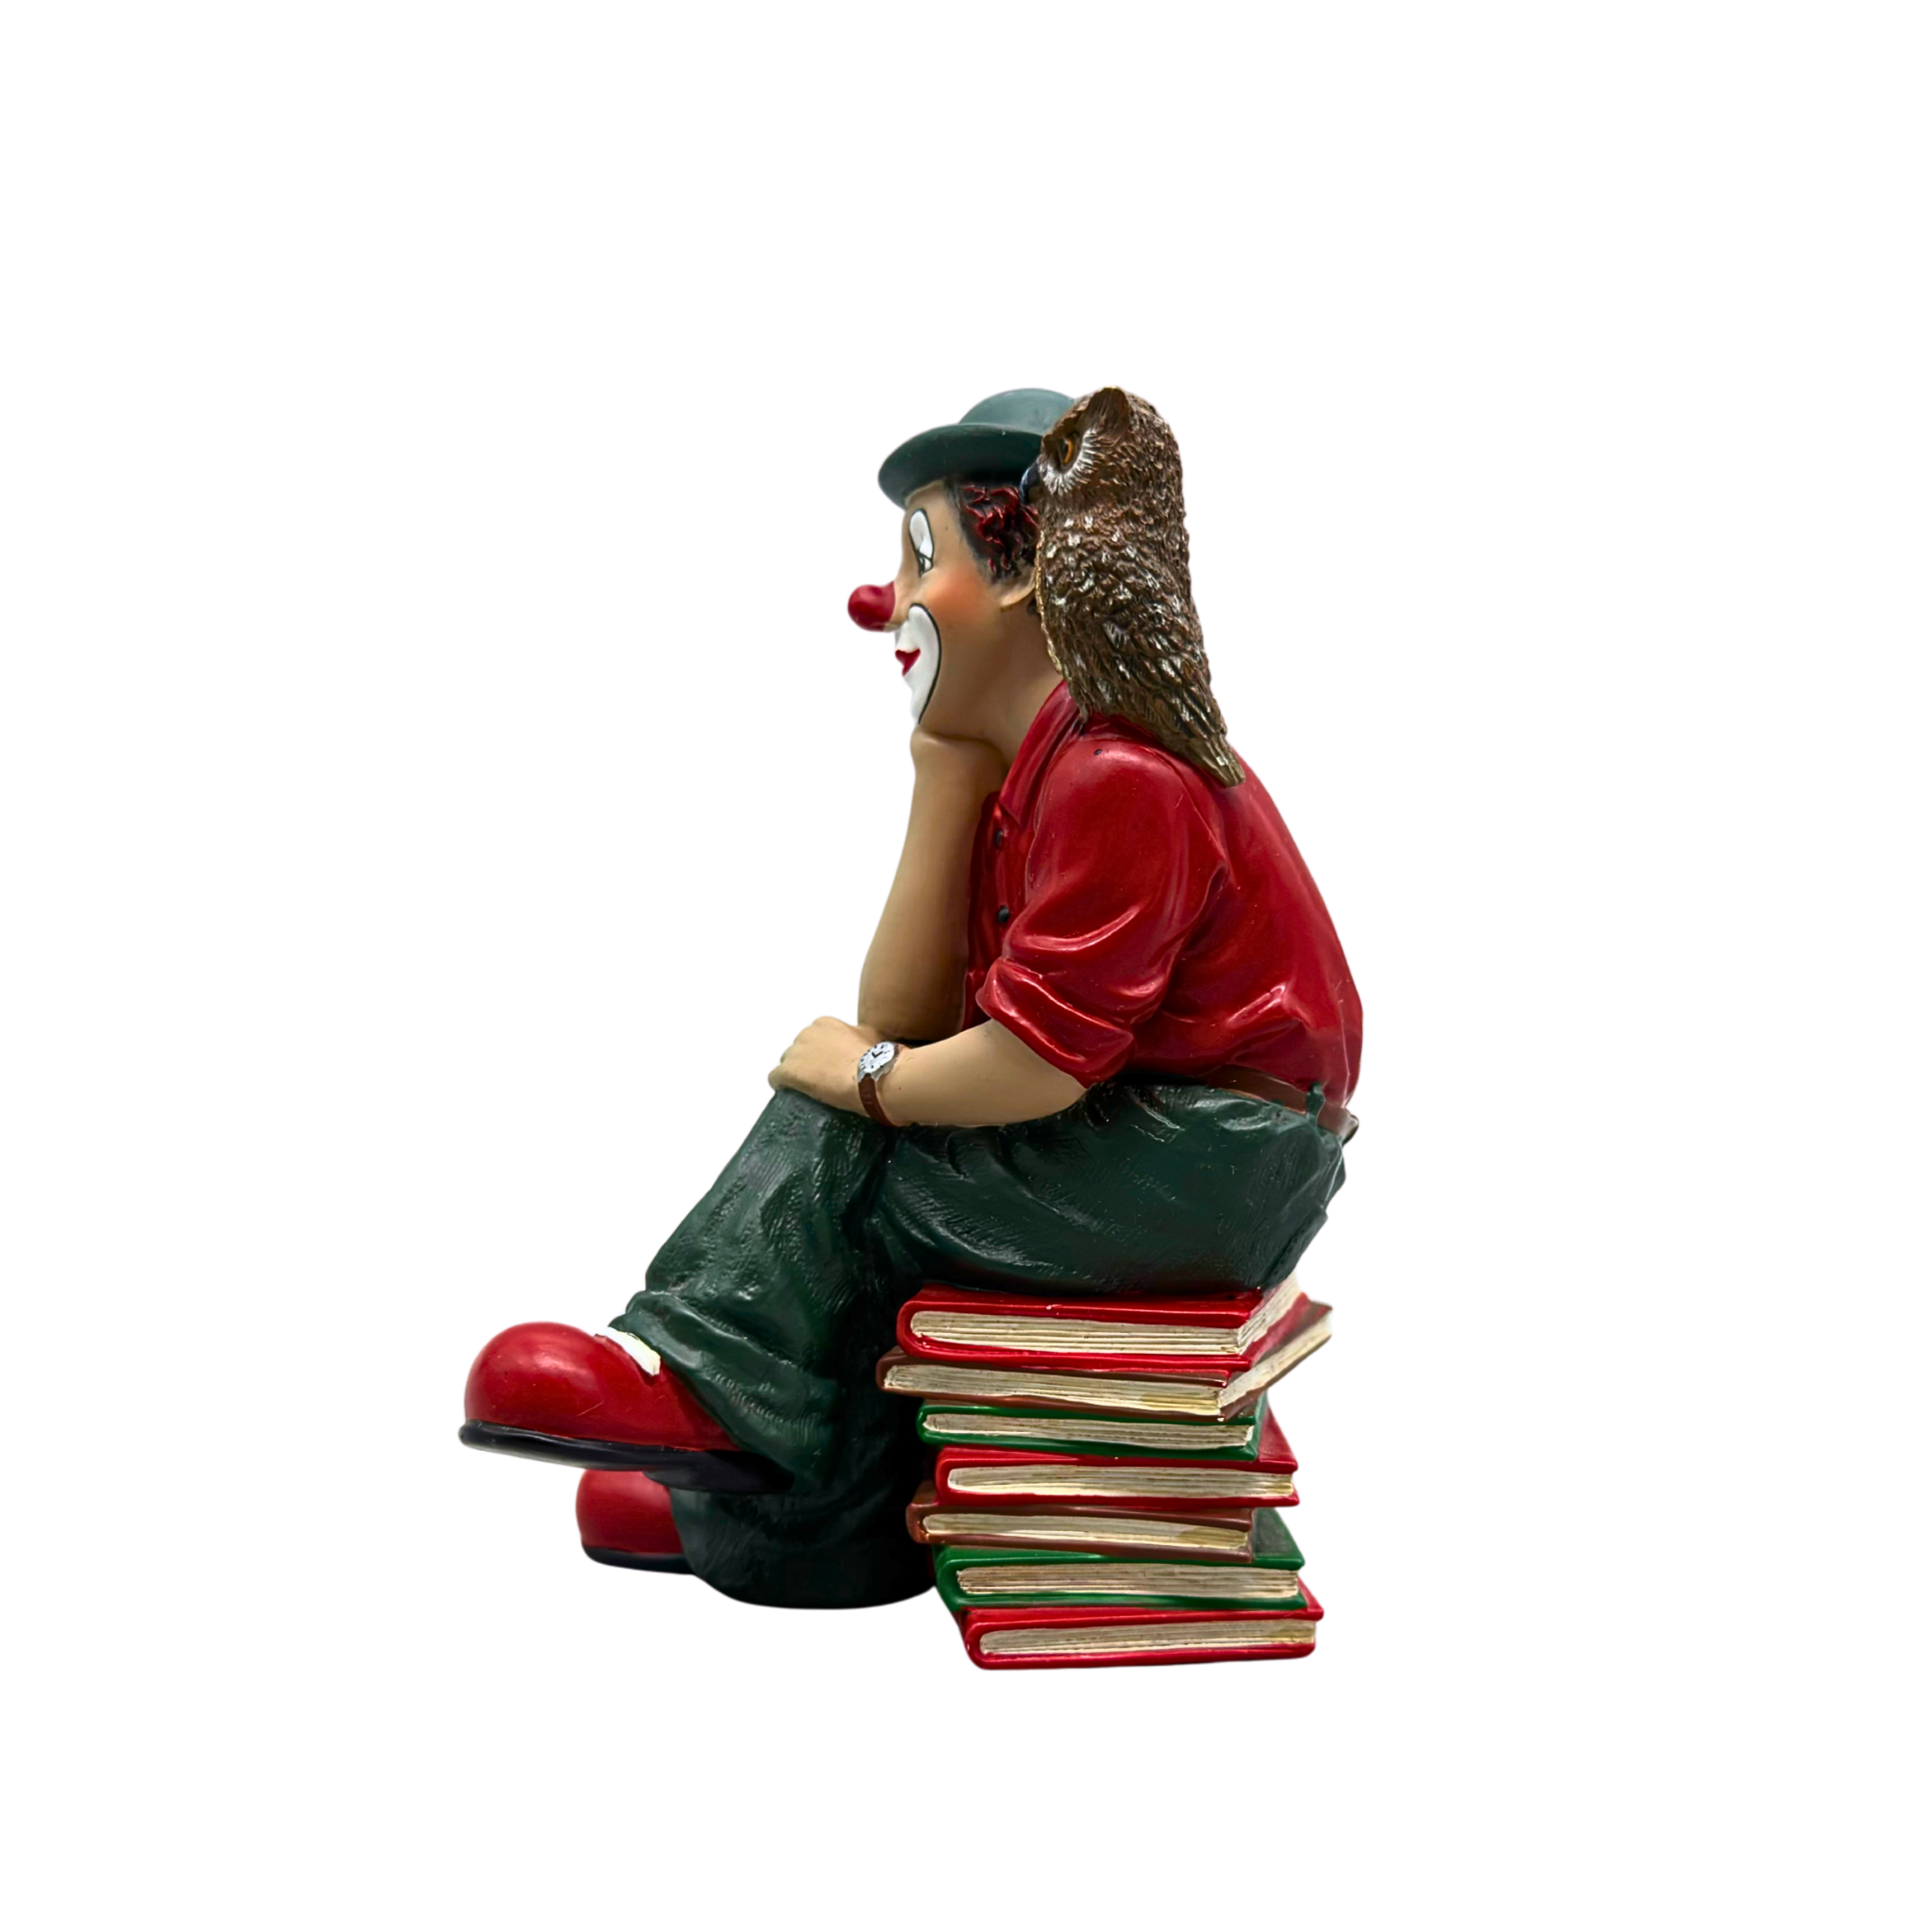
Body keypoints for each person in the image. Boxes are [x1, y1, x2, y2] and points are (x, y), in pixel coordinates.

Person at [461, 388, 1363, 1608]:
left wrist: (866, 1083)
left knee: (857, 1156)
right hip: (1157, 1135)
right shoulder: (1032, 774)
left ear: (1026, 572)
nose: (878, 602)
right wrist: (943, 775)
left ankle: (708, 1386)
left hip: (1213, 1156)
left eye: (919, 557)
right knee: (868, 1147)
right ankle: (779, 1510)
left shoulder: (1121, 776)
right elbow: (906, 1015)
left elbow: (1031, 1065)